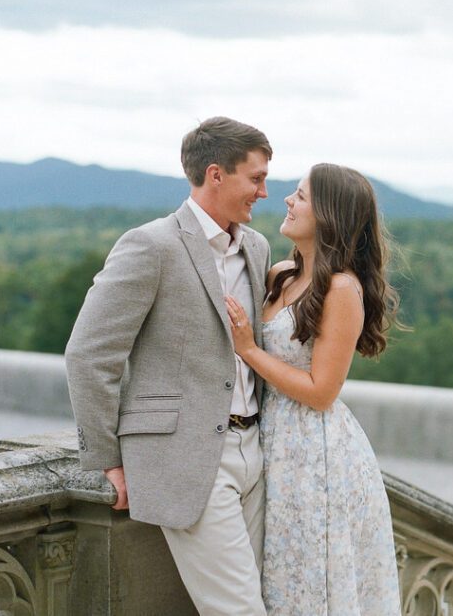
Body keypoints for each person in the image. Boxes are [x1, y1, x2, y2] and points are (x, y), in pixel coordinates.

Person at [65, 117, 272, 616]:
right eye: (256, 178)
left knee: (261, 600)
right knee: (240, 610)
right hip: (185, 459)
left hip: (256, 454)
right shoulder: (151, 244)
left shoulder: (258, 248)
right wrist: (108, 461)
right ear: (216, 174)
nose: (264, 192)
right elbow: (89, 353)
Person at [225, 163, 402, 616]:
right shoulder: (280, 274)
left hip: (315, 453)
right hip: (270, 441)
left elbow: (322, 391)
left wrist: (247, 349)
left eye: (300, 196)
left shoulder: (342, 288)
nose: (287, 200)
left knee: (307, 580)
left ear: (329, 214)